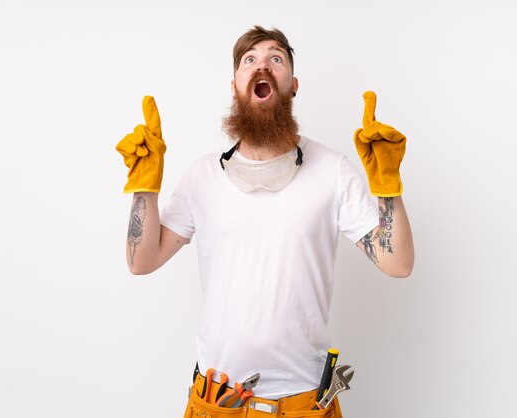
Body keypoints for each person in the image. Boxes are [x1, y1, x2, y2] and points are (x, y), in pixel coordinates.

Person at [116, 25, 414, 418]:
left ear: (293, 84)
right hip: (217, 400)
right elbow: (142, 261)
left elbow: (398, 264)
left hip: (304, 402)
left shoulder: (332, 171)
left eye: (276, 59)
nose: (263, 67)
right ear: (235, 85)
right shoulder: (202, 177)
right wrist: (143, 186)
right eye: (249, 60)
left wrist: (387, 186)